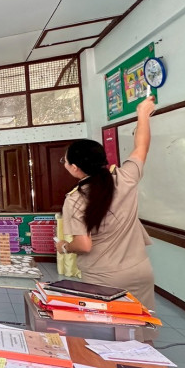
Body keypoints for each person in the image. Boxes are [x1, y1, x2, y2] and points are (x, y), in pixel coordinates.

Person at [57, 95, 157, 321]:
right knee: (141, 325)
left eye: (65, 162)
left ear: (75, 168)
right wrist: (143, 114)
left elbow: (84, 245)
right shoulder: (125, 177)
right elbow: (141, 146)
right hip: (140, 270)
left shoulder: (76, 199)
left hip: (103, 277)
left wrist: (63, 247)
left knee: (106, 329)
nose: (65, 165)